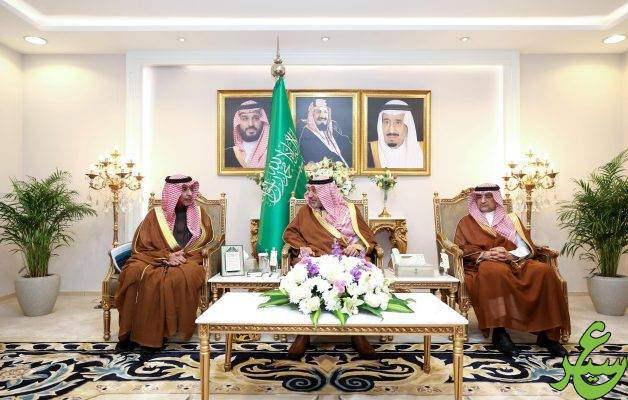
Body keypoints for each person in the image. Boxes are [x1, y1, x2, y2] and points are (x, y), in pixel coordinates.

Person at [454, 184, 570, 357]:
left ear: (496, 199)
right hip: (485, 262)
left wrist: (510, 255)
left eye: (488, 196)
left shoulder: (511, 219)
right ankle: (499, 332)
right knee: (493, 273)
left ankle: (547, 335)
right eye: (479, 197)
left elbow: (525, 246)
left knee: (544, 271)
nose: (483, 200)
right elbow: (461, 248)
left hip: (515, 261)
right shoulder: (466, 222)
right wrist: (485, 254)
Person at [114, 175, 213, 352]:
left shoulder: (200, 214)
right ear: (172, 192)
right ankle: (129, 333)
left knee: (170, 279)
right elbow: (142, 245)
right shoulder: (155, 215)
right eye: (184, 190)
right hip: (154, 256)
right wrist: (165, 256)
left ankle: (155, 335)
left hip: (188, 259)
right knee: (133, 272)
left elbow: (207, 243)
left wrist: (179, 256)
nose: (190, 194)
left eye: (191, 189)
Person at [283, 176, 378, 360]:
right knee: (307, 276)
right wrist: (303, 247)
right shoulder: (306, 211)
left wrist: (357, 246)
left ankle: (357, 334)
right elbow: (291, 233)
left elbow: (367, 237)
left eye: (314, 191)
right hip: (318, 259)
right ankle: (304, 334)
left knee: (359, 276)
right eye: (309, 190)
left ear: (327, 192)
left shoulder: (351, 210)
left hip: (348, 260)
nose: (309, 195)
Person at [368, 100, 424, 168]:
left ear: (407, 126)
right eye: (386, 122)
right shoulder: (368, 150)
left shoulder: (424, 149)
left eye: (398, 122)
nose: (391, 130)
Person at [299, 99, 352, 166]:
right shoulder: (306, 137)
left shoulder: (331, 131)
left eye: (325, 112)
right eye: (318, 112)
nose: (322, 116)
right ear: (312, 115)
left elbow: (346, 144)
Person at [225, 100, 269, 168]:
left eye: (256, 118)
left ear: (263, 122)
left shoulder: (275, 153)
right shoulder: (227, 154)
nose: (251, 124)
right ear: (238, 123)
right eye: (244, 119)